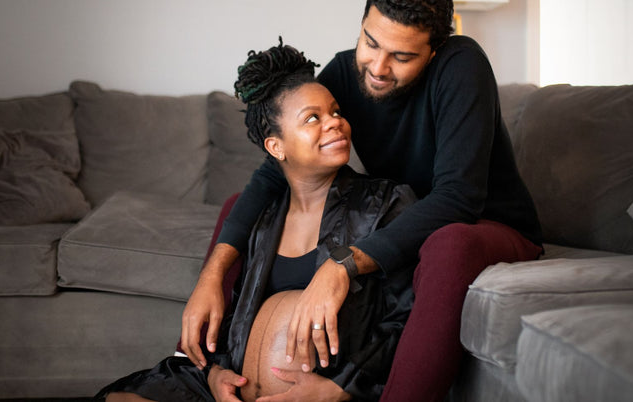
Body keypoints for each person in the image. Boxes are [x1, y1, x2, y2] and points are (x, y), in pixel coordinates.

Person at [182, 1, 544, 400]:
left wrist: (342, 265)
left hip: (485, 226)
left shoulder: (462, 65)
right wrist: (211, 276)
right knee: (240, 204)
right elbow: (274, 171)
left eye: (402, 56)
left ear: (435, 50)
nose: (378, 67)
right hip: (407, 221)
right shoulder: (345, 71)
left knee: (448, 243)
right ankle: (199, 368)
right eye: (370, 43)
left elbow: (459, 198)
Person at [97, 39, 416, 402]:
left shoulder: (384, 204)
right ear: (276, 147)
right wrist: (216, 375)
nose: (335, 123)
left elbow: (406, 317)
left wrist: (340, 387)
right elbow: (235, 318)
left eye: (336, 111)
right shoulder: (264, 217)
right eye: (313, 118)